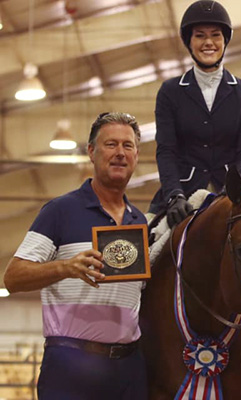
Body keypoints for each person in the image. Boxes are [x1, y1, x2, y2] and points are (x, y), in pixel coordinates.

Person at [3, 112, 147, 400]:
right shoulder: (59, 211)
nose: (120, 153)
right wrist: (65, 268)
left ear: (136, 155)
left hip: (128, 370)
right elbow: (13, 277)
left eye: (127, 146)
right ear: (91, 152)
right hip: (70, 366)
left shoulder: (139, 221)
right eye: (111, 144)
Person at [148, 0, 241, 228]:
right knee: (149, 243)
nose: (208, 42)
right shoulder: (170, 91)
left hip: (230, 192)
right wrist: (174, 196)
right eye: (200, 35)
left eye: (215, 35)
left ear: (224, 41)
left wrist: (236, 186)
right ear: (189, 41)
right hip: (182, 194)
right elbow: (166, 151)